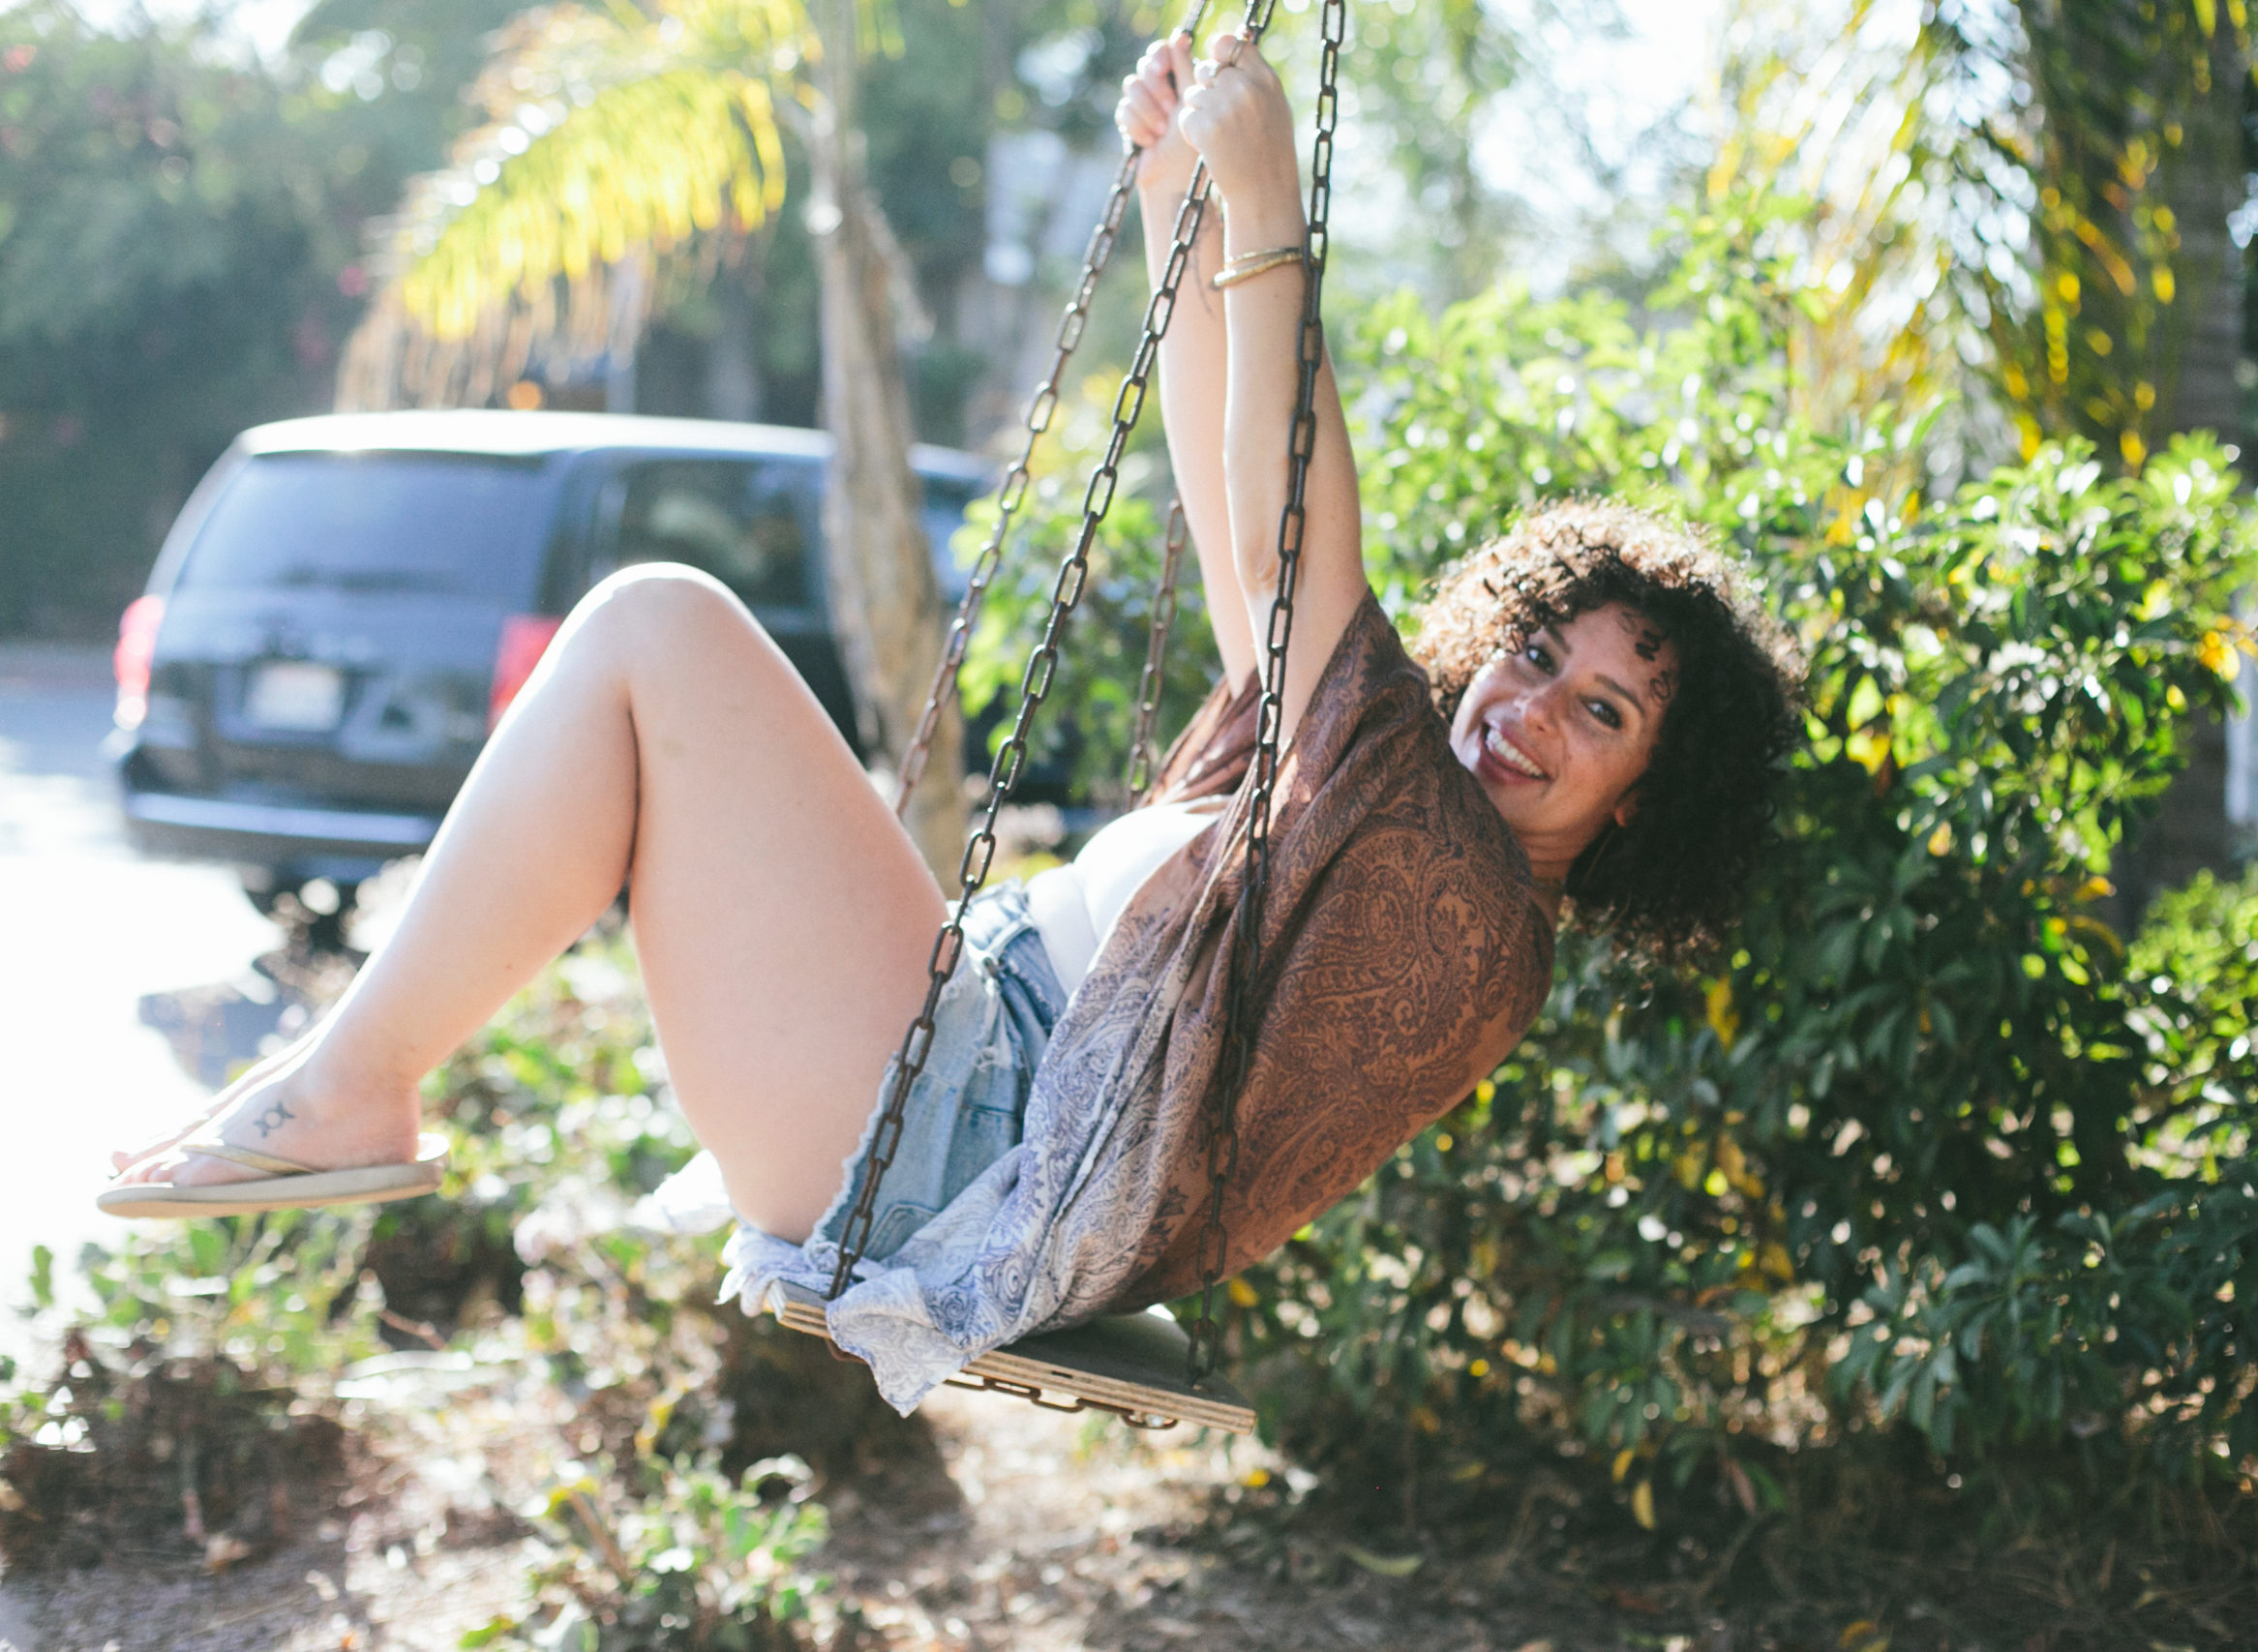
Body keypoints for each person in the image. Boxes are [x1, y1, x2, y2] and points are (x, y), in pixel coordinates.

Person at [102, 31, 1801, 1410]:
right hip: (950, 1057)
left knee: (655, 631)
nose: (1527, 711)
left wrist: (1270, 216)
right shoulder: (1365, 790)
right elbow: (1240, 518)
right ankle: (353, 1085)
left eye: (1601, 711)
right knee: (651, 655)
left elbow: (1297, 565)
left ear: (1648, 797)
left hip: (956, 1154)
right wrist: (1180, 217)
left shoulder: (1470, 915)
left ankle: (355, 1089)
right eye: (1528, 653)